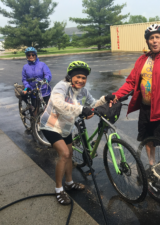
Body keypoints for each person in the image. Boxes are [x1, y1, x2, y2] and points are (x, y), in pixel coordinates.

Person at [106, 24, 160, 171]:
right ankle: (151, 166)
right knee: (147, 139)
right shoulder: (142, 60)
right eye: (151, 38)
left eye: (157, 37)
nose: (154, 41)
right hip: (146, 108)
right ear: (147, 41)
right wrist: (117, 95)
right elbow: (131, 82)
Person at [39, 61, 111, 205]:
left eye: (83, 78)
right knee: (64, 154)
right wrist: (80, 110)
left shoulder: (83, 91)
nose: (80, 80)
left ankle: (70, 183)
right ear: (70, 76)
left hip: (66, 127)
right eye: (77, 77)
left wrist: (104, 99)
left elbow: (92, 104)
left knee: (70, 155)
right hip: (51, 125)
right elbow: (58, 104)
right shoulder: (62, 86)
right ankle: (59, 189)